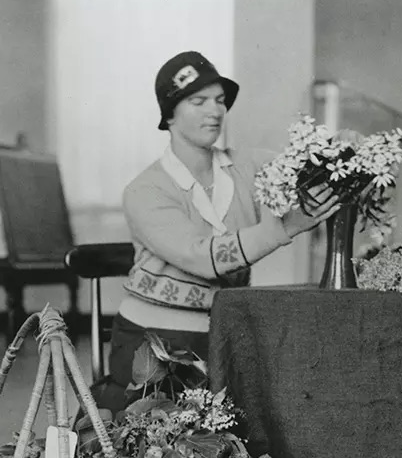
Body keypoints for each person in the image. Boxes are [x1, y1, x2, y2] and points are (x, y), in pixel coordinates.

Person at [95, 51, 340, 415]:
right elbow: (203, 257)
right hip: (152, 346)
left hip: (225, 337)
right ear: (169, 114)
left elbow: (309, 171)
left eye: (220, 101)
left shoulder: (248, 166)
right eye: (198, 101)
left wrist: (340, 152)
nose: (215, 111)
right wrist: (286, 227)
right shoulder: (144, 190)